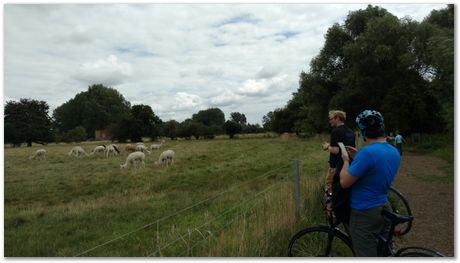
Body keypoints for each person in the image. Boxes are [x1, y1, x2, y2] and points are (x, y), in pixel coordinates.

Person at [339, 110, 401, 257]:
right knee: (381, 250)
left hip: (364, 211)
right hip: (384, 206)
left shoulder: (367, 153)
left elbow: (344, 182)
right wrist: (359, 156)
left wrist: (346, 161)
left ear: (363, 131)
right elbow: (376, 170)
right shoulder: (394, 151)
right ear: (382, 127)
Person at [321, 110, 355, 223]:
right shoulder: (350, 131)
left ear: (337, 118)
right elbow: (349, 149)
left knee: (329, 188)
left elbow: (336, 150)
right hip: (348, 165)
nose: (330, 121)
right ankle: (344, 212)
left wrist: (327, 146)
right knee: (343, 190)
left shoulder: (336, 132)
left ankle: (332, 216)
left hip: (336, 165)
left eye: (331, 118)